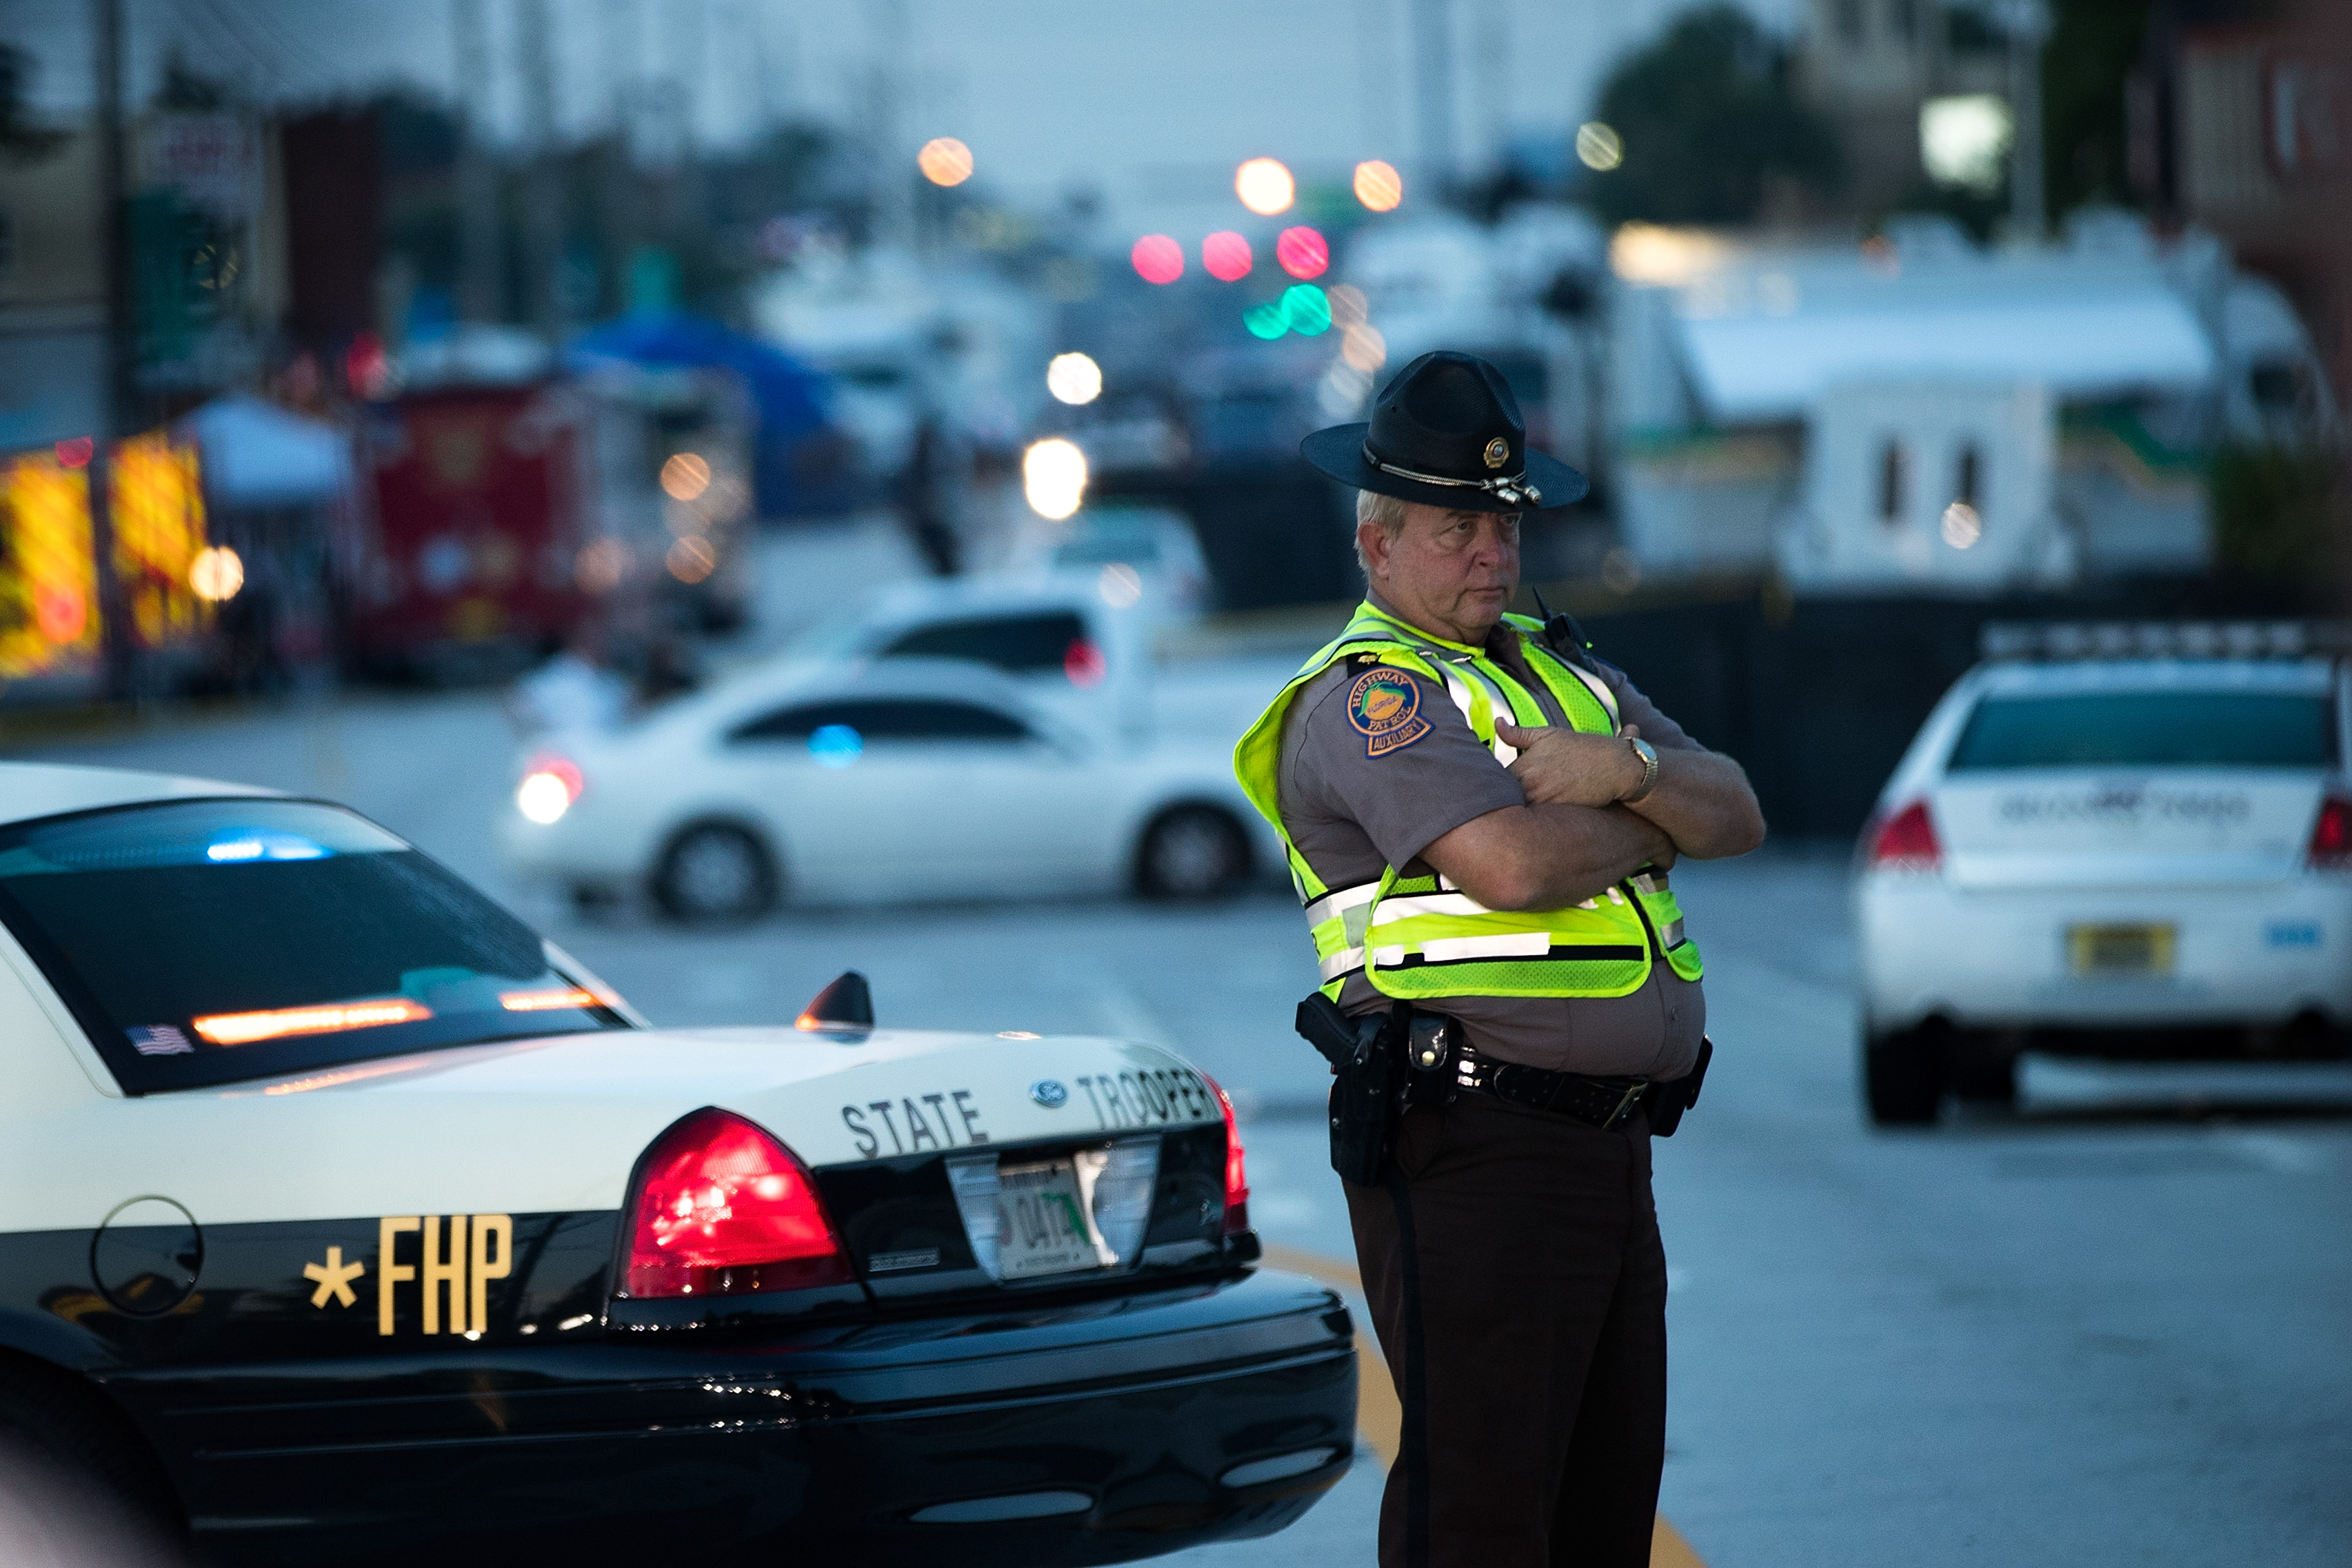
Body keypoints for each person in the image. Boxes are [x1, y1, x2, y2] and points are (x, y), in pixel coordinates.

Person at [1232, 352, 1765, 1568]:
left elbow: (1736, 810)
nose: (1493, 552)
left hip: (1605, 1146)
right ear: (1376, 546)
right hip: (1470, 1146)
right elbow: (1510, 867)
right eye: (1457, 529)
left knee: (1598, 1512)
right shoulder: (1373, 698)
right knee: (1480, 1513)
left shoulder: (1563, 670)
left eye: (1507, 523)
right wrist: (1648, 814)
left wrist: (1624, 771)